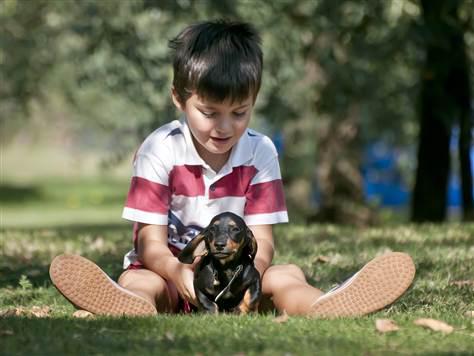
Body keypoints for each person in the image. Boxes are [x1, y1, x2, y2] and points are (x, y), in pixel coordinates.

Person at [49, 20, 415, 317]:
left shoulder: (260, 152)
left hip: (238, 276)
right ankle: (131, 309)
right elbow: (150, 244)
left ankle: (321, 305)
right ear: (179, 97)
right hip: (169, 274)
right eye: (209, 113)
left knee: (287, 276)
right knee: (143, 284)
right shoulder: (159, 149)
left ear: (254, 101)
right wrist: (179, 272)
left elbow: (264, 241)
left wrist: (247, 277)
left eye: (239, 113)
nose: (224, 127)